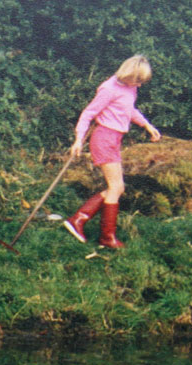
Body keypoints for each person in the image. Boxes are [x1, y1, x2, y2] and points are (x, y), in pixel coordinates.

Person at [64, 55, 161, 249]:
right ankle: (106, 238)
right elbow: (88, 114)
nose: (140, 85)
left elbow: (129, 110)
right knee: (116, 187)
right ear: (128, 74)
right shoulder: (109, 89)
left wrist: (147, 126)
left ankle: (79, 219)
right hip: (104, 139)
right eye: (138, 80)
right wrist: (78, 140)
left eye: (142, 81)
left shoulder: (130, 87)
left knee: (117, 187)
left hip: (115, 139)